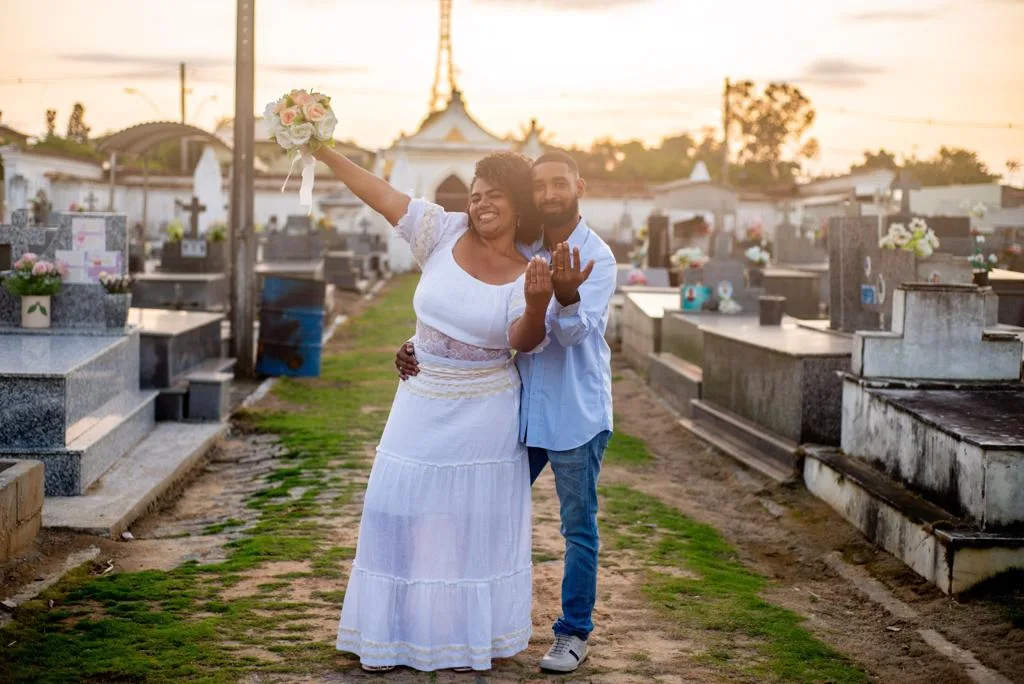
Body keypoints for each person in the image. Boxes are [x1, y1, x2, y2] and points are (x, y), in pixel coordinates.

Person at [313, 145, 553, 673]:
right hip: (421, 396)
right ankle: (391, 635)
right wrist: (323, 151)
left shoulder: (527, 271)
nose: (482, 203)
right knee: (392, 509)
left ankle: (455, 639)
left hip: (484, 409)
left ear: (517, 205)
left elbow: (524, 340)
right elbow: (381, 195)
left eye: (495, 196)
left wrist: (537, 304)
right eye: (476, 193)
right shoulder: (442, 233)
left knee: (465, 525)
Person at [397, 151, 618, 673]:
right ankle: (468, 617)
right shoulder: (524, 246)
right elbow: (477, 309)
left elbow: (573, 333)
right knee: (476, 508)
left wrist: (562, 298)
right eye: (539, 186)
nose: (549, 194)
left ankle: (572, 633)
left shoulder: (597, 257)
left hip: (572, 414)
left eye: (559, 184)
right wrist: (418, 343)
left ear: (579, 187)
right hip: (514, 409)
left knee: (577, 526)